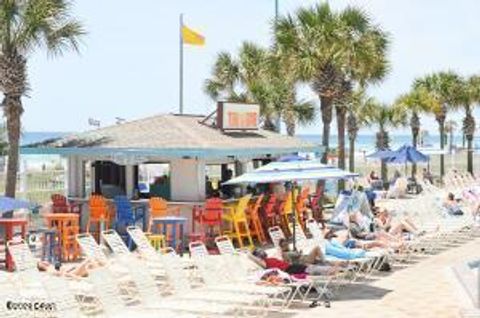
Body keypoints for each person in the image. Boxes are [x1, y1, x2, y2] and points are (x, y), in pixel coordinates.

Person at [249, 247, 337, 276]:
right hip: (288, 270)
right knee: (310, 268)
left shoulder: (269, 259)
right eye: (260, 252)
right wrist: (249, 254)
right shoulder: (264, 263)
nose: (263, 252)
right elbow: (253, 258)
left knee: (310, 267)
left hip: (291, 266)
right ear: (259, 256)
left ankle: (332, 269)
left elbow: (278, 251)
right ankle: (331, 270)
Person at [37, 259, 102, 278]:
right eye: (42, 262)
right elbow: (63, 274)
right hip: (73, 273)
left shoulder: (53, 266)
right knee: (89, 260)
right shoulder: (50, 270)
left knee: (93, 263)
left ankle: (105, 267)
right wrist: (72, 269)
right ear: (42, 266)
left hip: (74, 269)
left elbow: (61, 267)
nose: (44, 261)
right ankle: (105, 269)